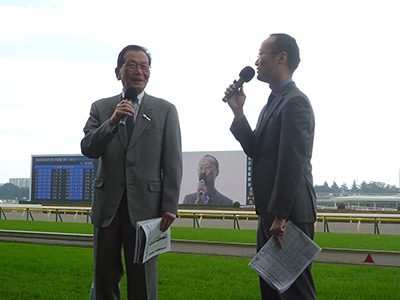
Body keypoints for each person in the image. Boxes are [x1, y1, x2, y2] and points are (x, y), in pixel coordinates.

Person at [81, 44, 182, 300]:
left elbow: (172, 161)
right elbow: (88, 148)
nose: (139, 71)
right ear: (118, 72)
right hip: (108, 207)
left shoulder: (165, 110)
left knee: (143, 278)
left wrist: (170, 205)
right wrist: (112, 122)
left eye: (144, 66)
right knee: (104, 274)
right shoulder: (101, 108)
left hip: (147, 209)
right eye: (132, 65)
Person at [224, 33, 317, 299]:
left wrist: (280, 215)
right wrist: (239, 112)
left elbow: (292, 163)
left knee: (295, 291)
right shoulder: (273, 102)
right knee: (271, 288)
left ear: (281, 57)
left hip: (288, 215)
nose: (256, 61)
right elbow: (255, 150)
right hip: (271, 212)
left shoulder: (295, 102)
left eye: (261, 54)